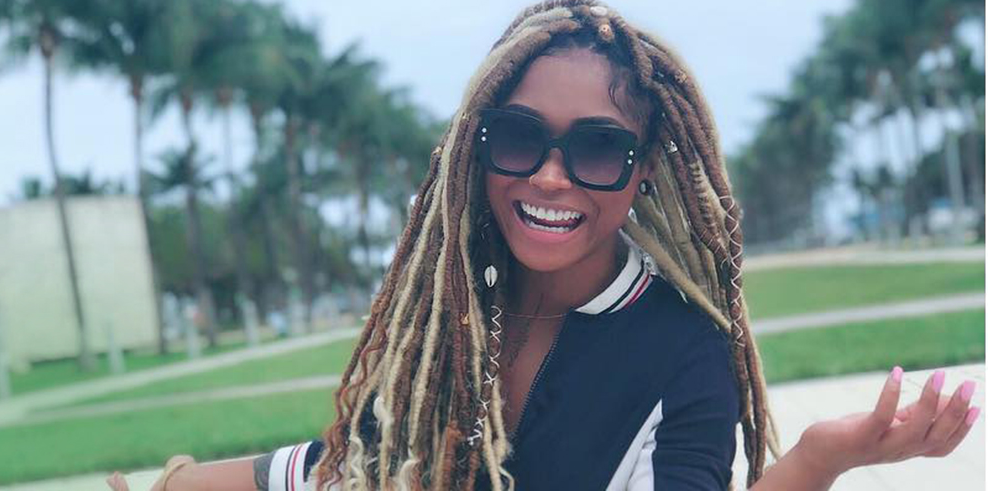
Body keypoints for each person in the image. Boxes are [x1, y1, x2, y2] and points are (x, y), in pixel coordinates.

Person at [107, 1, 980, 490]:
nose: (552, 177)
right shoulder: (453, 317)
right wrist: (176, 483)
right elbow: (356, 466)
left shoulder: (682, 350)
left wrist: (821, 457)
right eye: (520, 137)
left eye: (597, 148)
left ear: (643, 170)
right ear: (475, 150)